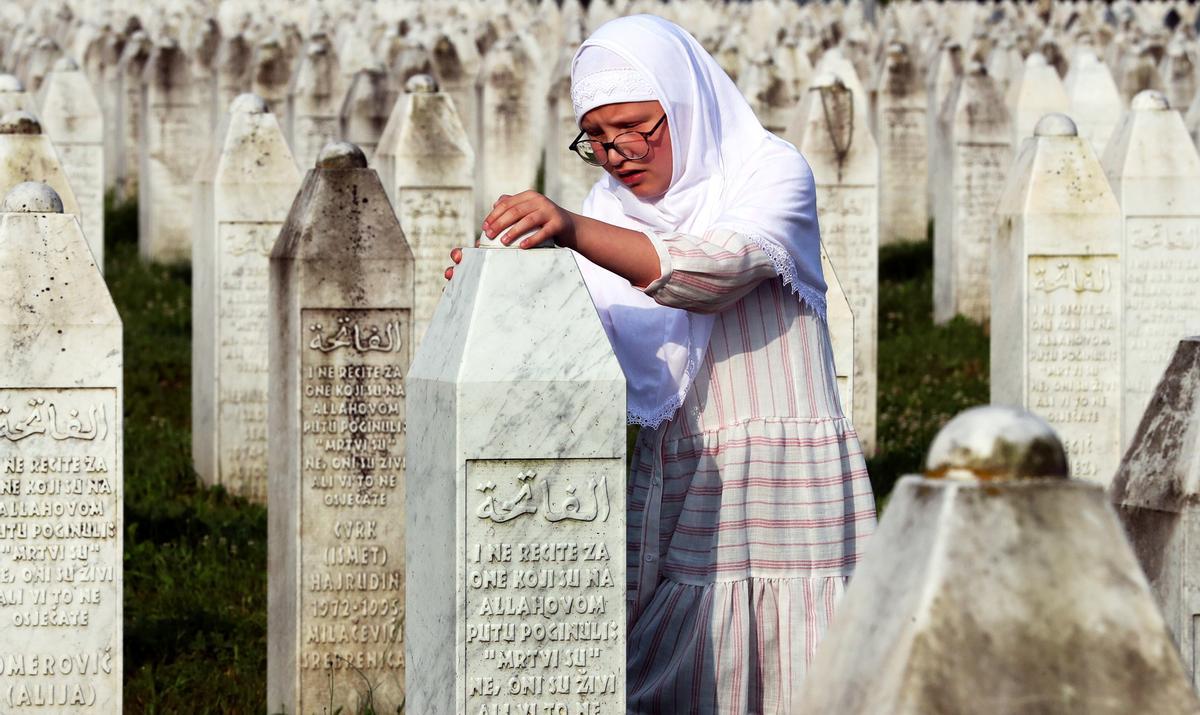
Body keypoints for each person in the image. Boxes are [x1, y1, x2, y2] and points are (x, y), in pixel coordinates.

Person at [448, 14, 877, 714]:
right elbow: (585, 334)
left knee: (804, 669)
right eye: (598, 137)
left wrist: (572, 231)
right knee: (676, 672)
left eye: (637, 126)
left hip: (780, 473)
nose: (618, 152)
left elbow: (713, 273)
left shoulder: (772, 173)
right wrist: (502, 285)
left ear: (683, 103)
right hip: (681, 469)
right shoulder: (607, 210)